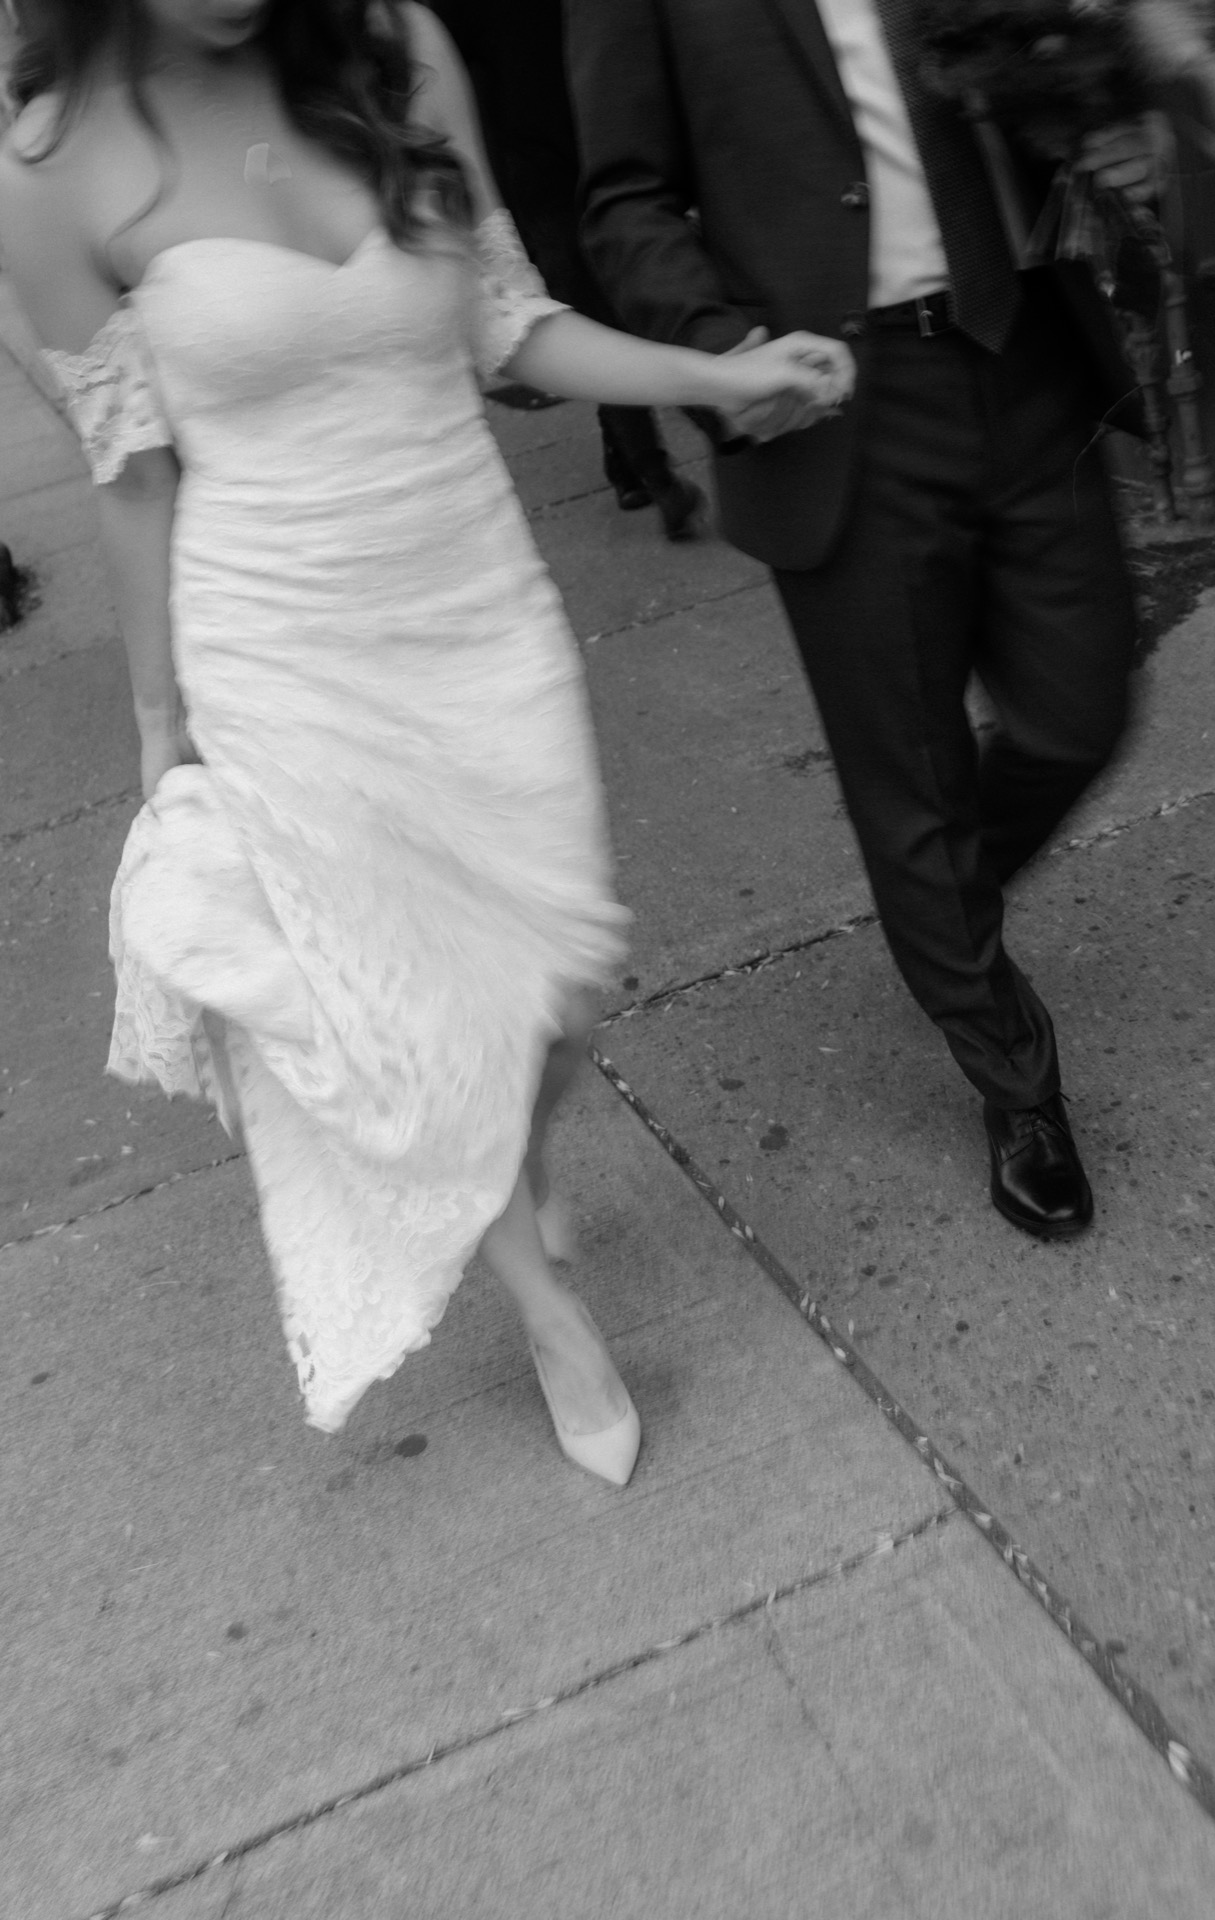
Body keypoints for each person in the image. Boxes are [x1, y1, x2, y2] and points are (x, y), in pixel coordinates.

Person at [0, 0, 851, 1480]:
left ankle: (500, 1166)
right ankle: (542, 1311)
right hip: (279, 651)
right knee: (402, 1014)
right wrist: (160, 730)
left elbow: (505, 322)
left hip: (471, 607)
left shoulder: (394, 47)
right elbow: (128, 476)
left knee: (561, 989)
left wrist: (717, 379)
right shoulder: (52, 166)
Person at [568, 0, 1163, 1241]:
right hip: (836, 408)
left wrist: (1108, 130)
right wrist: (722, 347)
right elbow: (624, 200)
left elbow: (1042, 71)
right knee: (911, 772)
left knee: (1081, 705)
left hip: (1023, 357)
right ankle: (1017, 1080)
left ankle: (944, 905)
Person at [427, 0, 704, 538]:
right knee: (616, 302)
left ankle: (643, 469)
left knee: (585, 310)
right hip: (593, 141)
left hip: (535, 162)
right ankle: (674, 452)